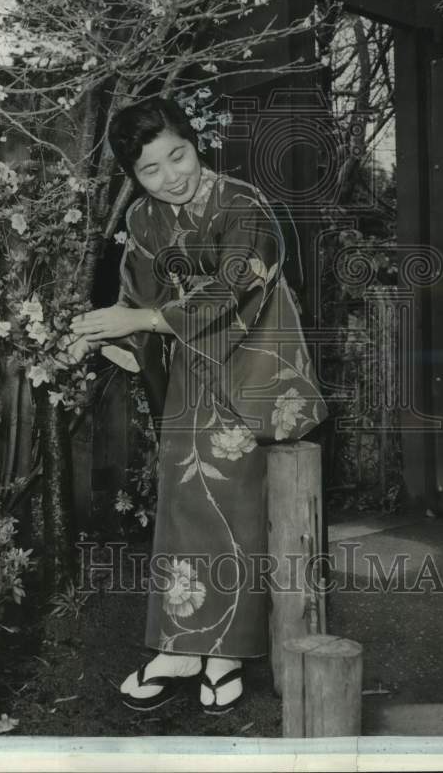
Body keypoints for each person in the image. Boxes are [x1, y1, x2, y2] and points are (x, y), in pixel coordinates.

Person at [68, 99, 328, 714]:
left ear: (195, 141)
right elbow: (138, 293)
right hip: (192, 364)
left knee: (234, 492)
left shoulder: (242, 204)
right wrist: (104, 331)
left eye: (178, 155)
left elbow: (239, 285)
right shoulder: (144, 218)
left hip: (257, 354)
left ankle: (226, 651)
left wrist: (145, 318)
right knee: (183, 493)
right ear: (134, 178)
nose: (172, 177)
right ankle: (185, 644)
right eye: (151, 170)